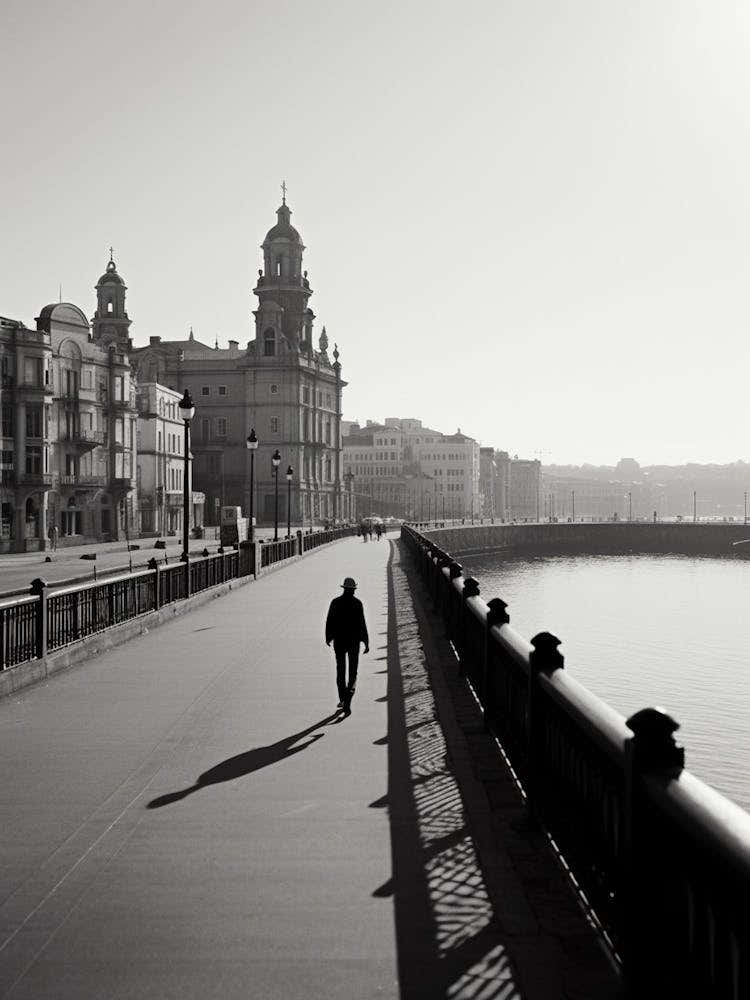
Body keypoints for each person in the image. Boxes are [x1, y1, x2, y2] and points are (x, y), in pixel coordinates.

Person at [325, 577, 369, 715]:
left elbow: (330, 620)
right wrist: (366, 641)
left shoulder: (335, 602)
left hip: (339, 641)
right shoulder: (357, 603)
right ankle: (348, 698)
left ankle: (343, 699)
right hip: (353, 642)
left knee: (340, 671)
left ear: (344, 588)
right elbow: (362, 623)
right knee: (353, 672)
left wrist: (328, 637)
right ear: (353, 590)